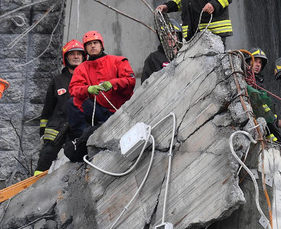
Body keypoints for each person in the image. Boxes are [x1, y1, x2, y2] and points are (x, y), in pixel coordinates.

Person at [65, 30, 136, 160]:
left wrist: (113, 83)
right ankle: (82, 140)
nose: (92, 46)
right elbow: (74, 89)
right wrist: (88, 89)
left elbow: (130, 80)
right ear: (85, 49)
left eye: (95, 43)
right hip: (99, 110)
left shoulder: (117, 61)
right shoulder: (82, 68)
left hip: (121, 110)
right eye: (89, 44)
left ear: (101, 45)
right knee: (73, 102)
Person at [34, 40, 85, 175]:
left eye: (79, 54)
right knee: (46, 157)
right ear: (66, 58)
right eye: (72, 54)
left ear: (83, 57)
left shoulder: (88, 79)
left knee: (76, 156)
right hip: (57, 127)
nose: (75, 57)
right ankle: (33, 185)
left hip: (78, 127)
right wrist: (42, 134)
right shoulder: (58, 80)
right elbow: (47, 110)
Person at [243, 48, 279, 141]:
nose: (258, 65)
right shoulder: (243, 78)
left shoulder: (260, 83)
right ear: (247, 62)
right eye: (255, 61)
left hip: (266, 124)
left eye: (260, 62)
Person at [142, 18, 182, 83]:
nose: (169, 37)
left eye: (173, 33)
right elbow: (146, 86)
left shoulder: (184, 56)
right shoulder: (153, 58)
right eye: (165, 34)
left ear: (178, 36)